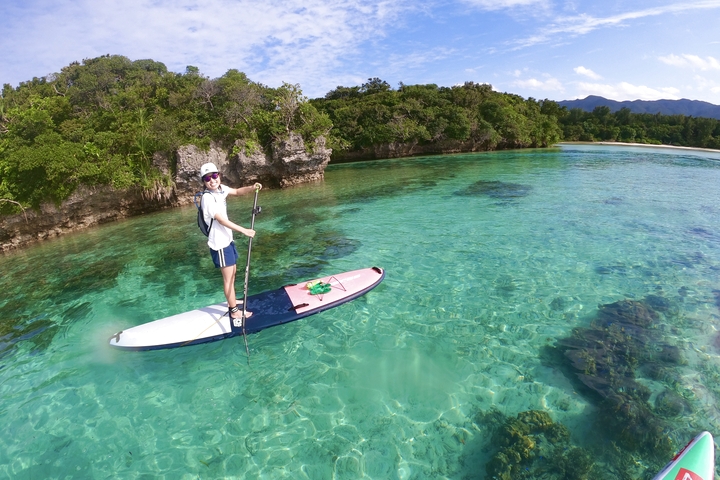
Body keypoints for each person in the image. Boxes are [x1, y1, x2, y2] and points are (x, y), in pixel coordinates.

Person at [198, 162, 262, 323]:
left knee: (233, 273)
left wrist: (252, 187)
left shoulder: (221, 190)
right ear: (203, 182)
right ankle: (233, 311)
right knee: (227, 278)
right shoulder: (207, 198)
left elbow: (237, 191)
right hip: (219, 244)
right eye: (207, 178)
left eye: (214, 175)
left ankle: (231, 300)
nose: (212, 180)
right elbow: (221, 220)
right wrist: (244, 230)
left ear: (218, 175)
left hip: (228, 241)